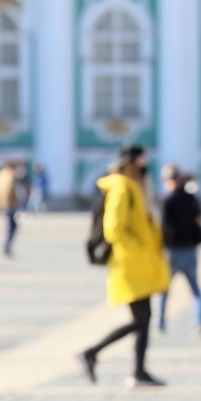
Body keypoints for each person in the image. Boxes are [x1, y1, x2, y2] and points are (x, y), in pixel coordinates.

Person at [78, 145, 171, 387]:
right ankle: (92, 353)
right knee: (141, 320)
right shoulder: (121, 186)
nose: (144, 169)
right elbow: (113, 229)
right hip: (131, 264)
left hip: (137, 263)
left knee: (144, 319)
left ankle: (138, 370)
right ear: (130, 164)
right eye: (141, 163)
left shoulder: (129, 186)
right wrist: (139, 249)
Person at [157, 164, 201, 336]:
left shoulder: (167, 200)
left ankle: (160, 324)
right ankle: (200, 323)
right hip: (190, 248)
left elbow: (163, 227)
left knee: (163, 289)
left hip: (172, 250)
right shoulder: (190, 198)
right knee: (195, 289)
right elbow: (199, 218)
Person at [0, 159, 21, 258]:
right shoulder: (11, 175)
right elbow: (10, 190)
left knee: (9, 225)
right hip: (9, 203)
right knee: (12, 226)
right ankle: (6, 247)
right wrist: (15, 200)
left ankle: (6, 246)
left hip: (1, 203)